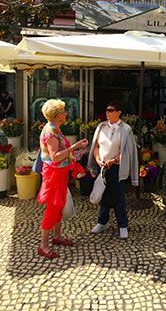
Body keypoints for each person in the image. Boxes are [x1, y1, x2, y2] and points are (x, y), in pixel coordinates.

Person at [36, 99, 89, 259]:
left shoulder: (55, 129)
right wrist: (74, 147)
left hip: (59, 174)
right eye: (64, 112)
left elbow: (61, 153)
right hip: (53, 175)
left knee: (58, 205)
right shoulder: (51, 132)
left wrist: (73, 156)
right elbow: (56, 157)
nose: (66, 114)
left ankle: (57, 236)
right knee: (52, 207)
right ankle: (43, 246)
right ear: (58, 115)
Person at [87, 101, 139, 239]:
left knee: (118, 196)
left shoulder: (126, 129)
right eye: (107, 110)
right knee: (103, 195)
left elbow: (127, 151)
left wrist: (114, 160)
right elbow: (96, 145)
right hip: (102, 166)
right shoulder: (101, 127)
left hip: (117, 167)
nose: (108, 112)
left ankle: (123, 225)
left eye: (111, 110)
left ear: (118, 112)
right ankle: (102, 222)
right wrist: (98, 160)